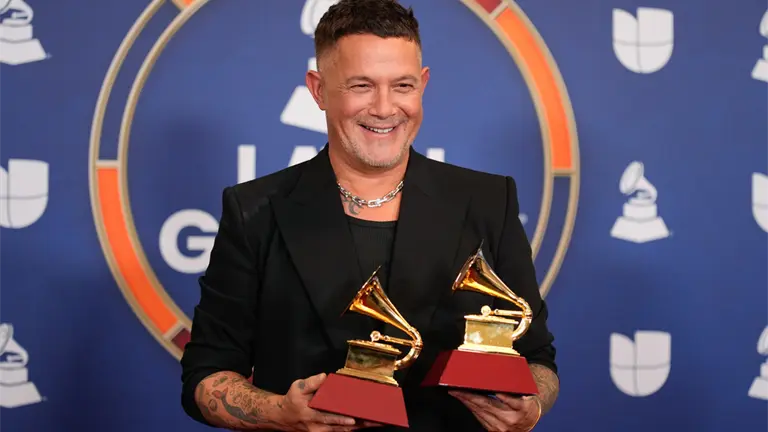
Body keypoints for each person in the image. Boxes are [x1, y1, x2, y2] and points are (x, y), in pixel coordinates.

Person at [180, 0, 560, 430]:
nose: (384, 108)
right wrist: (279, 413)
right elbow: (206, 375)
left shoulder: (489, 200)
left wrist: (531, 406)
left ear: (423, 84)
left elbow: (538, 359)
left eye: (402, 86)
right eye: (361, 86)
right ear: (318, 90)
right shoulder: (254, 210)